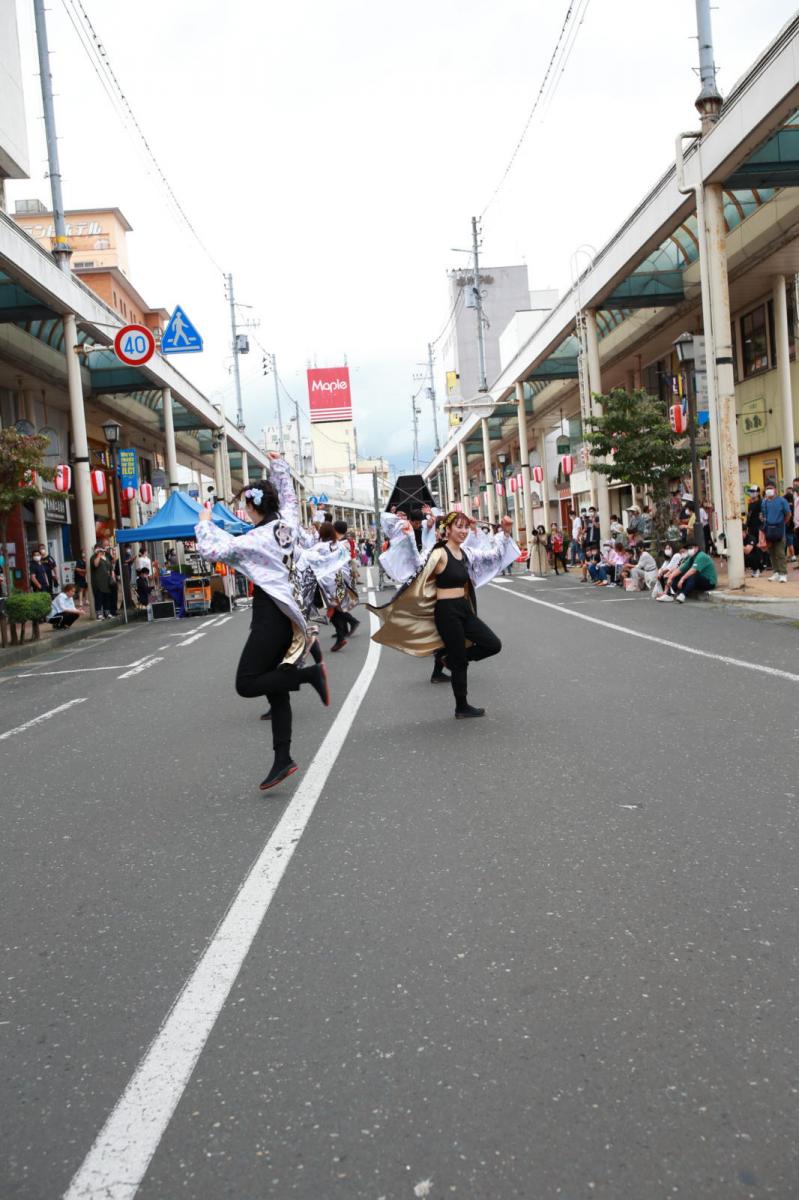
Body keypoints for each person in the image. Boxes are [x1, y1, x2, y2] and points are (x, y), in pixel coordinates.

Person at [195, 455, 330, 791]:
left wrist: (205, 520)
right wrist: (280, 468)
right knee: (276, 689)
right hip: (289, 614)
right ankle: (282, 759)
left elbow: (213, 550)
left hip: (270, 616)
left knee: (247, 682)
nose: (243, 512)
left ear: (253, 507)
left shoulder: (256, 538)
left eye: (244, 506)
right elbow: (289, 498)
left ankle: (309, 674)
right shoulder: (289, 524)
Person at [368, 512, 518, 719]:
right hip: (447, 613)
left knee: (493, 644)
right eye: (459, 526)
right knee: (460, 664)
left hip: (464, 609)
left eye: (466, 527)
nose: (463, 531)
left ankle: (450, 659)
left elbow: (494, 556)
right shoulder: (438, 553)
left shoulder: (467, 553)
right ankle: (461, 706)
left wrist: (506, 532)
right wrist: (410, 536)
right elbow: (416, 565)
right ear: (448, 529)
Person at [760, 483, 791, 582]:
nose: (769, 490)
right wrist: (762, 518)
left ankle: (783, 573)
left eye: (770, 488)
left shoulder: (782, 501)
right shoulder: (764, 502)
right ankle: (776, 572)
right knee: (771, 552)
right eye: (767, 488)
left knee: (780, 552)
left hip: (779, 529)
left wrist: (783, 523)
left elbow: (788, 514)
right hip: (769, 530)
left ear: (775, 490)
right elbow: (763, 514)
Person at [90, 545, 113, 618]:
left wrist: (113, 577)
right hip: (98, 582)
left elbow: (110, 568)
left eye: (102, 550)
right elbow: (95, 565)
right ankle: (99, 613)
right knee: (99, 597)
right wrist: (98, 555)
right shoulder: (94, 557)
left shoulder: (106, 557)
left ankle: (107, 612)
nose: (101, 551)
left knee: (107, 597)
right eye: (99, 550)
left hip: (107, 581)